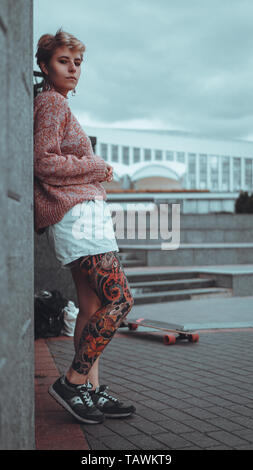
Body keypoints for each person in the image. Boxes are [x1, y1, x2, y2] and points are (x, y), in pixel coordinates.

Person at [34, 28, 135, 424]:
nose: (73, 68)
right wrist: (99, 167)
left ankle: (91, 392)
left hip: (79, 215)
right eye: (64, 61)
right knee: (120, 300)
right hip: (77, 215)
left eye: (78, 62)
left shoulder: (56, 104)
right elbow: (42, 161)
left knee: (91, 306)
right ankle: (73, 382)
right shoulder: (52, 104)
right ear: (44, 66)